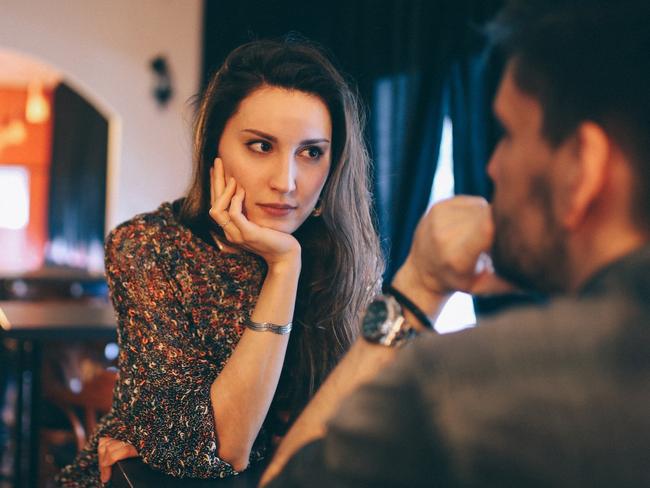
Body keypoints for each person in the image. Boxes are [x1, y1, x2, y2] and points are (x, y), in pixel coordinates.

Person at [260, 1, 650, 486]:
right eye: (261, 145)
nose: (491, 167)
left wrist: (417, 289)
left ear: (582, 168)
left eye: (507, 134)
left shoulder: (461, 390)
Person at [55, 39, 383, 486]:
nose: (286, 181)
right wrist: (284, 268)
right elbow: (222, 447)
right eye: (261, 146)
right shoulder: (149, 245)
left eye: (310, 152)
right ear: (215, 148)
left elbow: (365, 424)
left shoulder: (346, 261)